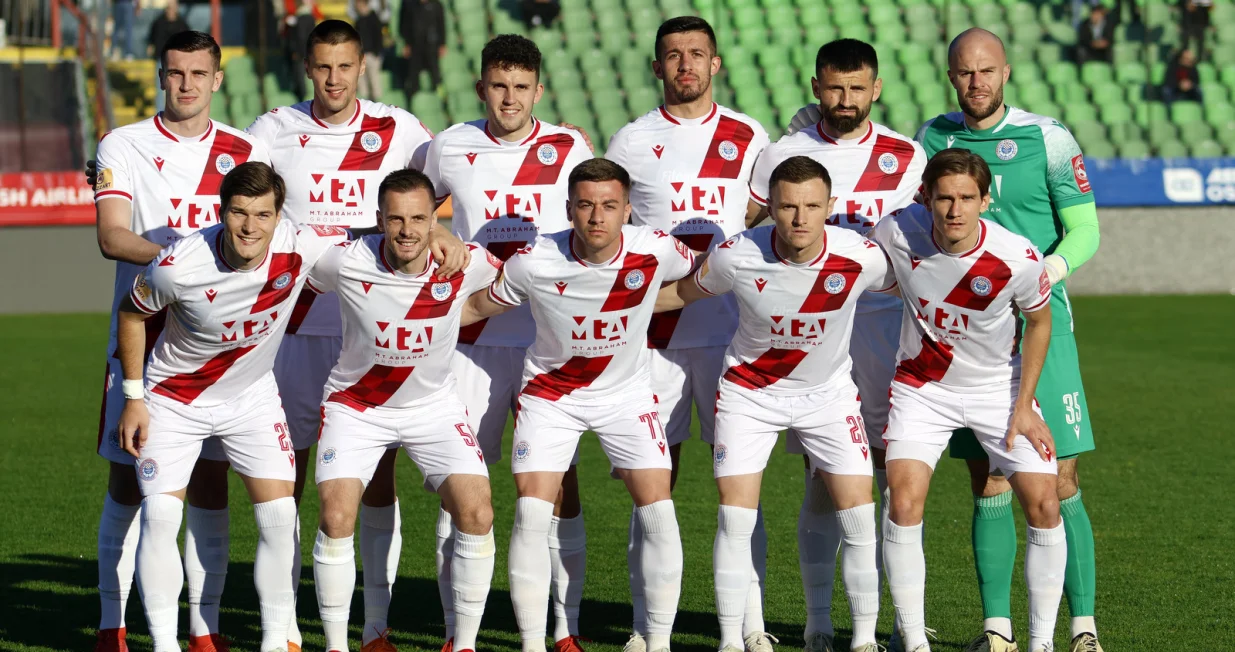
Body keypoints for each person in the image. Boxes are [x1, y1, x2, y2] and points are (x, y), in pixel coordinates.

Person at [245, 19, 458, 652]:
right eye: (323, 66)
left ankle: (374, 627)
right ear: (306, 68)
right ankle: (283, 626)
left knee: (376, 477)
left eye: (345, 66)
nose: (334, 79)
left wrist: (442, 230)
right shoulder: (273, 130)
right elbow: (238, 200)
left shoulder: (401, 129)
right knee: (284, 477)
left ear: (362, 66)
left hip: (375, 334)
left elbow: (445, 191)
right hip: (294, 327)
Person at [658, 156, 895, 652]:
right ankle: (732, 640)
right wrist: (599, 299)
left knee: (857, 515)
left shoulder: (862, 256)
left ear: (831, 205)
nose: (800, 218)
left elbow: (917, 286)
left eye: (812, 206)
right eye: (788, 207)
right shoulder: (735, 255)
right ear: (769, 206)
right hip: (750, 395)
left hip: (829, 397)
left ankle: (862, 641)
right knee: (735, 517)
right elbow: (680, 293)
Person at [915, 29, 1102, 652]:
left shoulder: (1047, 138)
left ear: (1006, 72)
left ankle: (1082, 630)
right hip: (967, 338)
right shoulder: (931, 139)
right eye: (965, 72)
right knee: (990, 478)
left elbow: (1085, 230)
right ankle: (997, 630)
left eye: (987, 71)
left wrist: (1043, 274)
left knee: (1061, 478)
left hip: (1043, 326)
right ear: (951, 76)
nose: (977, 83)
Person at [114, 161, 351, 652]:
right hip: (175, 400)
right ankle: (164, 645)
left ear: (280, 216)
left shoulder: (301, 244)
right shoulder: (177, 265)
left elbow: (380, 242)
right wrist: (133, 398)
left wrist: (438, 235)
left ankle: (274, 641)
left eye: (263, 215)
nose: (249, 227)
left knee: (280, 517)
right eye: (239, 212)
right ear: (221, 212)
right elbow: (132, 314)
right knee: (160, 516)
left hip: (250, 398)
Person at [461, 158, 692, 652]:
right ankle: (532, 644)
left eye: (609, 205)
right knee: (531, 511)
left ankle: (659, 643)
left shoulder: (656, 248)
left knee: (658, 509)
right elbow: (478, 306)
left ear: (628, 210)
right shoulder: (534, 260)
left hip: (626, 395)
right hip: (552, 396)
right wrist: (414, 319)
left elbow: (703, 277)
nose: (597, 216)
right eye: (585, 205)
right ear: (568, 209)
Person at [91, 30, 270, 652]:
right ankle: (111, 626)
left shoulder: (247, 149)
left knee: (211, 487)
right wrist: (189, 263)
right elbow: (112, 237)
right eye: (175, 72)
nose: (186, 84)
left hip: (223, 352)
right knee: (128, 486)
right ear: (160, 76)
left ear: (218, 79)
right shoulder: (123, 144)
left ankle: (204, 629)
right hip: (143, 339)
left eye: (199, 73)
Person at [745, 38, 925, 652]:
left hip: (888, 331)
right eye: (834, 87)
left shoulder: (907, 155)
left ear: (877, 89)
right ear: (816, 87)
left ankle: (899, 622)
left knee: (896, 478)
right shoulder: (784, 153)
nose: (845, 100)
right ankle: (819, 622)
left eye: (857, 88)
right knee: (823, 477)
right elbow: (749, 229)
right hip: (811, 335)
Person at [604, 17, 771, 652]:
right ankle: (648, 629)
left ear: (715, 63)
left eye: (697, 53)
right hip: (657, 340)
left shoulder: (749, 135)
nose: (685, 65)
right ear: (657, 68)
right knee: (653, 485)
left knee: (742, 490)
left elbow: (764, 214)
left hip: (736, 337)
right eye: (673, 55)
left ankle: (751, 626)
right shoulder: (631, 140)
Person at [421, 33, 593, 652]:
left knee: (559, 483)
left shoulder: (570, 146)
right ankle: (456, 630)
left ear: (539, 90)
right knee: (460, 484)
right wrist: (438, 233)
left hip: (550, 340)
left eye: (521, 87)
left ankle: (564, 629)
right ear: (481, 87)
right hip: (472, 337)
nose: (510, 98)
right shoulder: (450, 145)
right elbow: (411, 207)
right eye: (499, 85)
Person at [874, 149, 1064, 652]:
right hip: (923, 388)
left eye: (966, 198)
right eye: (944, 198)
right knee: (902, 502)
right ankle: (913, 640)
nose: (954, 210)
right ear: (926, 198)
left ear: (985, 200)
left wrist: (1024, 406)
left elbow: (1039, 322)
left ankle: (1041, 644)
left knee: (1045, 503)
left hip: (998, 389)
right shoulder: (895, 231)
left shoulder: (1017, 258)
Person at [309, 169, 496, 652]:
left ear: (435, 219)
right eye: (395, 219)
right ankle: (339, 645)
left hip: (433, 408)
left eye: (418, 219)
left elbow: (513, 277)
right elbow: (287, 253)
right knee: (336, 516)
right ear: (379, 221)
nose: (407, 230)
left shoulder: (465, 262)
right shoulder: (346, 260)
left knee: (477, 512)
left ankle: (463, 644)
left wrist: (457, 286)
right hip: (356, 407)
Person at [146, 0, 188, 111]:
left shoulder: (182, 24)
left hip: (178, 60)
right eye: (168, 8)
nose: (170, 10)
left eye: (172, 8)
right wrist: (151, 46)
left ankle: (177, 109)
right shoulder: (159, 22)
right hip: (161, 58)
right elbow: (152, 37)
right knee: (160, 85)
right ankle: (160, 111)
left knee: (177, 85)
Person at [400, 0, 445, 97]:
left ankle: (441, 97)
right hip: (415, 46)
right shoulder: (409, 5)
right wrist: (406, 44)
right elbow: (404, 26)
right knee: (413, 74)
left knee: (435, 74)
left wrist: (442, 44)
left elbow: (441, 25)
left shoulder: (436, 5)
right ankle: (414, 98)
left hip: (432, 46)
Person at [354, 0, 385, 100]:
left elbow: (379, 38)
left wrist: (377, 54)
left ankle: (376, 106)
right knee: (362, 85)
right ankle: (364, 105)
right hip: (361, 56)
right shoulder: (358, 21)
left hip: (372, 55)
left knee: (374, 83)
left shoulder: (374, 19)